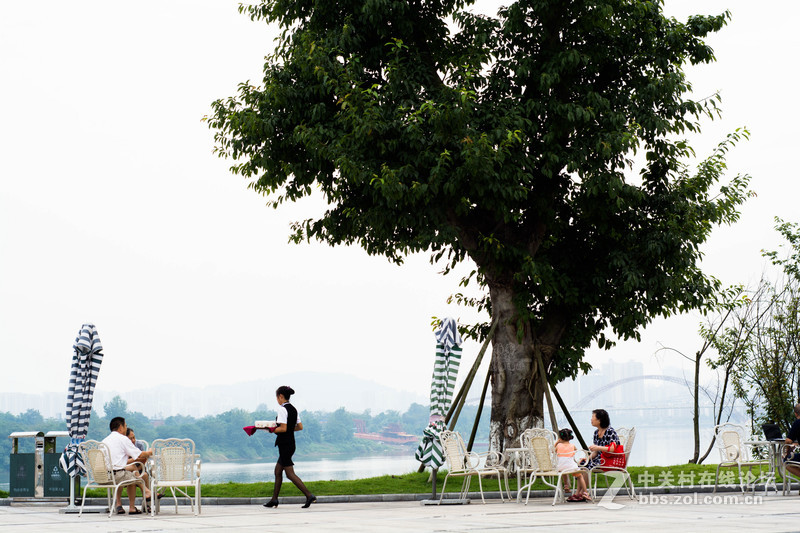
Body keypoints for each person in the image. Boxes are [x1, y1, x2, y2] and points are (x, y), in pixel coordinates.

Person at [263, 386, 316, 509]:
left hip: (285, 445)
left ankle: (309, 495)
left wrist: (270, 429)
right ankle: (274, 499)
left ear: (281, 396)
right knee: (277, 471)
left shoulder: (282, 409)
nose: (277, 400)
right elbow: (299, 427)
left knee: (289, 474)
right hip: (290, 444)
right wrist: (287, 430)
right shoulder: (293, 409)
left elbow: (283, 428)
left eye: (277, 397)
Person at [102, 417, 154, 515]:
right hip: (116, 476)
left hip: (103, 477)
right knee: (133, 475)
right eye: (125, 426)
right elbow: (139, 455)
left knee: (132, 472)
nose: (126, 428)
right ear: (120, 427)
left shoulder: (104, 441)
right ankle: (147, 492)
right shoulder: (122, 439)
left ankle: (134, 505)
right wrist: (150, 452)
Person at [578, 409, 620, 490]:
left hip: (609, 460)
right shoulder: (596, 433)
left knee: (587, 467)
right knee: (583, 464)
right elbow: (596, 453)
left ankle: (584, 492)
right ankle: (578, 492)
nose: (591, 419)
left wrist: (597, 447)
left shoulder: (610, 431)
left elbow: (612, 449)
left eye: (593, 417)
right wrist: (587, 458)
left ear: (599, 420)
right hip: (599, 460)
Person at [555, 428, 589, 502]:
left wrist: (557, 442)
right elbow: (576, 452)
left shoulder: (558, 445)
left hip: (560, 467)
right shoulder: (572, 445)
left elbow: (552, 451)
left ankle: (566, 485)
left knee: (564, 471)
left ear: (560, 438)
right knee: (580, 476)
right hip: (571, 467)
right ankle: (585, 492)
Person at [784, 403, 800, 478]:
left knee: (786, 461)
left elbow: (788, 441)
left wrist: (787, 453)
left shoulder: (797, 423)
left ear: (795, 414)